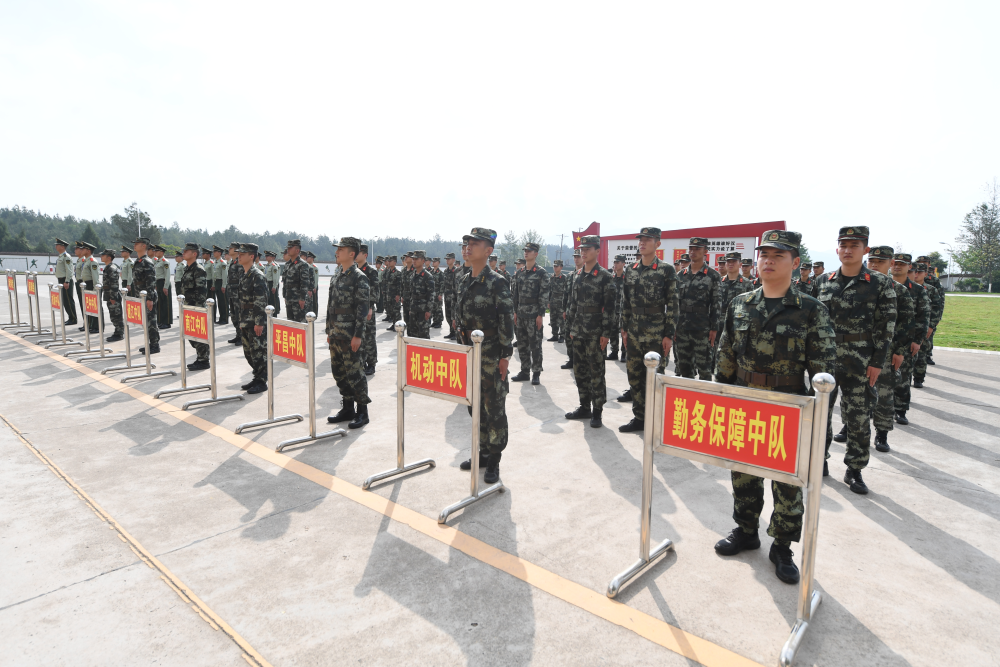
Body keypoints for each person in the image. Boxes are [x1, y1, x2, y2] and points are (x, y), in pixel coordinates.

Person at [714, 229, 836, 585]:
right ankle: (746, 529)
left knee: (787, 482)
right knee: (743, 472)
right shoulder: (740, 303)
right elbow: (725, 353)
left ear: (795, 264)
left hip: (788, 406)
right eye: (764, 254)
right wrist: (719, 396)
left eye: (778, 256)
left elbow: (824, 371)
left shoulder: (811, 310)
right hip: (745, 403)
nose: (768, 261)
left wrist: (819, 420)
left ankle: (782, 545)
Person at [815, 226, 896, 493]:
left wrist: (877, 363)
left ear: (865, 250)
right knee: (820, 414)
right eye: (843, 245)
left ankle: (855, 469)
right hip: (825, 359)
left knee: (858, 417)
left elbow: (886, 326)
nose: (848, 250)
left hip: (861, 361)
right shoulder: (823, 281)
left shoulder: (880, 283)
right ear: (837, 248)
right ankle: (819, 460)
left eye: (854, 245)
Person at [454, 227, 514, 484]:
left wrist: (505, 356)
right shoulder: (464, 278)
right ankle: (482, 452)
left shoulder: (497, 281)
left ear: (488, 251)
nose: (468, 247)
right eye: (467, 243)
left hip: (490, 353)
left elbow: (506, 320)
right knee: (474, 406)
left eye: (475, 244)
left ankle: (494, 460)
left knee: (494, 407)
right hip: (469, 352)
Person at [618, 228, 677, 432]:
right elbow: (625, 301)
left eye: (647, 240)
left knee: (655, 378)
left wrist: (669, 334)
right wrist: (624, 329)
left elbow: (673, 303)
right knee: (634, 375)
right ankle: (639, 417)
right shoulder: (631, 269)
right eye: (640, 240)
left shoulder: (666, 270)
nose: (642, 243)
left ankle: (656, 420)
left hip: (656, 332)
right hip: (633, 331)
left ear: (657, 244)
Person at [564, 236, 617, 428]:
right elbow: (573, 304)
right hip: (578, 330)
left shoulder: (604, 276)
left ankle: (597, 411)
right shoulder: (577, 275)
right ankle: (584, 407)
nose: (583, 252)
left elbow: (610, 308)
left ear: (597, 251)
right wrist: (570, 327)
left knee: (596, 372)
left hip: (595, 332)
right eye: (581, 249)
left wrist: (606, 333)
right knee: (580, 372)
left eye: (587, 249)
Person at [866, 246, 915, 453]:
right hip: (860, 349)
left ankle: (882, 433)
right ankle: (849, 427)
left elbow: (906, 324)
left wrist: (900, 351)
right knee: (856, 394)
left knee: (884, 393)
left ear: (890, 264)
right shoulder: (862, 286)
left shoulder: (900, 291)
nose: (875, 265)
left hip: (887, 350)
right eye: (872, 261)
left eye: (881, 261)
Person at [324, 237, 371, 429]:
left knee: (355, 374)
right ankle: (348, 408)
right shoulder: (337, 275)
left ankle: (362, 412)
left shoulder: (359, 277)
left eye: (341, 250)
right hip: (336, 333)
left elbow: (362, 310)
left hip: (350, 334)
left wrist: (358, 336)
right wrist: (329, 330)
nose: (337, 252)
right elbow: (330, 306)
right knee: (339, 373)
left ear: (352, 254)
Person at [675, 237, 721, 380]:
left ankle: (704, 400)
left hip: (702, 329)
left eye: (697, 249)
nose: (693, 251)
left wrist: (714, 328)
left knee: (705, 369)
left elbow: (716, 303)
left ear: (705, 251)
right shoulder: (680, 276)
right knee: (684, 369)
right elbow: (674, 303)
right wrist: (673, 326)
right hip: (682, 327)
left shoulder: (713, 276)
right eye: (691, 248)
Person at [892, 254, 929, 425]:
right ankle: (875, 408)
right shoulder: (881, 285)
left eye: (902, 264)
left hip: (906, 341)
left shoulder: (917, 290)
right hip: (883, 340)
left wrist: (917, 340)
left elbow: (922, 317)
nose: (897, 267)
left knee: (903, 377)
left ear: (909, 267)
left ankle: (900, 409)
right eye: (895, 263)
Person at [511, 242, 550, 385]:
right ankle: (524, 371)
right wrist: (515, 311)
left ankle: (536, 372)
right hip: (520, 314)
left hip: (534, 315)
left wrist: (540, 314)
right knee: (522, 344)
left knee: (535, 345)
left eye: (529, 250)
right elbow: (515, 294)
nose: (526, 252)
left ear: (536, 254)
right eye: (525, 250)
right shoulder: (519, 273)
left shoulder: (541, 273)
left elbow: (544, 295)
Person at [233, 243, 269, 394]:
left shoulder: (257, 276)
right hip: (246, 319)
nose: (239, 256)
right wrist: (241, 321)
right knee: (249, 352)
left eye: (243, 254)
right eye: (239, 253)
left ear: (251, 256)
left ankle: (262, 381)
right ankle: (256, 377)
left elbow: (260, 301)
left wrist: (259, 322)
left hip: (255, 320)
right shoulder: (244, 274)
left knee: (258, 351)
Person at [175, 243, 212, 372]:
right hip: (188, 306)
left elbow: (202, 292)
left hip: (195, 307)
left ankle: (203, 360)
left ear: (194, 254)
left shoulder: (199, 269)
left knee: (198, 334)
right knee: (191, 334)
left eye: (186, 251)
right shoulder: (188, 268)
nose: (183, 253)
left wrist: (196, 308)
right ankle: (200, 357)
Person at [910, 262, 941, 388]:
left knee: (921, 354)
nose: (916, 274)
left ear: (925, 274)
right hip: (907, 327)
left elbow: (936, 309)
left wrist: (931, 326)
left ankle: (918, 378)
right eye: (914, 272)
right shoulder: (904, 287)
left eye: (920, 272)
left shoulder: (931, 290)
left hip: (923, 327)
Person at [129, 237, 160, 354]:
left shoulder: (147, 261)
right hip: (141, 296)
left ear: (143, 246)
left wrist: (150, 299)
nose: (134, 245)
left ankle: (155, 345)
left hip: (147, 296)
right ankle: (150, 344)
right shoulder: (139, 261)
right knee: (146, 322)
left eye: (137, 243)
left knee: (151, 322)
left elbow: (150, 281)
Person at [915, 255, 944, 366]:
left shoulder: (934, 281)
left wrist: (936, 319)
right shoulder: (911, 276)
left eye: (925, 262)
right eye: (920, 262)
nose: (923, 263)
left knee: (928, 337)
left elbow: (939, 302)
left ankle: (927, 355)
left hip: (929, 315)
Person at [356, 244, 380, 375]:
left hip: (367, 309)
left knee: (369, 337)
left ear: (365, 255)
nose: (355, 255)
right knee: (359, 335)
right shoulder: (354, 270)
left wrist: (370, 307)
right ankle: (362, 361)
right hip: (357, 310)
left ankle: (371, 363)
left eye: (358, 253)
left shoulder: (371, 271)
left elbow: (375, 291)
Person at [560, 249, 583, 370]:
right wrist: (564, 309)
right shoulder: (570, 276)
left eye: (578, 256)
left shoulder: (585, 275)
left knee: (579, 338)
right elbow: (566, 294)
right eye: (575, 256)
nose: (576, 259)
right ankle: (571, 359)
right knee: (568, 336)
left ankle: (579, 360)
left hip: (581, 313)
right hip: (569, 312)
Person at [282, 240, 314, 322]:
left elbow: (304, 282)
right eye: (287, 248)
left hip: (298, 299)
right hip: (289, 298)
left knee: (300, 323)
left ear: (297, 250)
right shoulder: (287, 264)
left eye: (290, 248)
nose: (288, 250)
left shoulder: (303, 264)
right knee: (291, 323)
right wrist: (284, 295)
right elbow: (285, 282)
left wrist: (302, 298)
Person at [407, 251, 433, 339]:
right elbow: (411, 294)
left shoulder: (427, 276)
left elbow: (431, 295)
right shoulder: (412, 276)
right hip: (414, 308)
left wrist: (428, 310)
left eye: (416, 259)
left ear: (423, 261)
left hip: (423, 310)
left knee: (423, 334)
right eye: (413, 259)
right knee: (412, 333)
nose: (414, 261)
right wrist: (411, 308)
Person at [605, 254, 627, 360]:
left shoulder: (627, 278)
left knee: (624, 331)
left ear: (623, 264)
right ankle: (614, 352)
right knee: (613, 331)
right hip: (613, 309)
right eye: (614, 262)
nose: (615, 264)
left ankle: (624, 353)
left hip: (623, 310)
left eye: (618, 262)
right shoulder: (611, 278)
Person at [99, 249, 124, 341]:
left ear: (109, 257)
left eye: (103, 255)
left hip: (112, 295)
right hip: (109, 294)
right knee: (113, 315)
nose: (101, 256)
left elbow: (114, 284)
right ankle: (117, 332)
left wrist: (113, 297)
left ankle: (119, 334)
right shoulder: (108, 267)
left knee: (116, 315)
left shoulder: (111, 268)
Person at [77, 241, 101, 334]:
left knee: (94, 306)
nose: (81, 250)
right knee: (89, 306)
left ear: (88, 250)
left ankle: (96, 326)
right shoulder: (86, 260)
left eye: (83, 249)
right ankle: (91, 325)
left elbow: (95, 277)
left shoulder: (92, 261)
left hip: (91, 285)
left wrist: (95, 289)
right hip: (86, 284)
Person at [54, 238, 78, 326]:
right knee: (64, 300)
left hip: (65, 280)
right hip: (61, 280)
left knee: (68, 300)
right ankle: (70, 317)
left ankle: (73, 318)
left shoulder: (66, 256)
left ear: (62, 246)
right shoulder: (61, 256)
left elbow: (69, 270)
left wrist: (67, 281)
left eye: (57, 245)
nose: (55, 246)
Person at [548, 259, 567, 343]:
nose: (555, 268)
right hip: (552, 301)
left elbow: (566, 291)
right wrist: (548, 301)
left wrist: (565, 303)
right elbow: (549, 290)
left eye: (557, 266)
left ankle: (562, 335)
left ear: (561, 267)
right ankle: (554, 335)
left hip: (561, 302)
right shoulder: (551, 278)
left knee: (561, 320)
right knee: (553, 319)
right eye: (554, 266)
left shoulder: (564, 278)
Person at [442, 252, 459, 339]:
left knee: (454, 315)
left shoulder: (457, 271)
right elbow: (443, 284)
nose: (447, 260)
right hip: (446, 296)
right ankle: (451, 332)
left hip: (453, 297)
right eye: (446, 259)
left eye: (449, 259)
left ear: (453, 260)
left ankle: (456, 333)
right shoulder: (445, 271)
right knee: (448, 315)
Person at [382, 255, 401, 329]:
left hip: (395, 295)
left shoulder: (397, 273)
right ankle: (394, 324)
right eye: (388, 261)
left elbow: (399, 285)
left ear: (395, 262)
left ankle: (398, 326)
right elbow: (385, 283)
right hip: (388, 294)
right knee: (390, 310)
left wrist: (398, 295)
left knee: (396, 311)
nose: (389, 262)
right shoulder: (387, 272)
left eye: (390, 261)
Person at [210, 246, 228, 325]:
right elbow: (214, 275)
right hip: (217, 282)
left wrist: (224, 285)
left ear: (219, 253)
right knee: (219, 301)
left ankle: (225, 318)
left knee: (223, 302)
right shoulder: (216, 263)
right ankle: (221, 318)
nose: (213, 253)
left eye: (215, 252)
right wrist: (214, 284)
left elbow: (225, 275)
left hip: (221, 282)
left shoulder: (222, 263)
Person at [430, 257, 444, 328]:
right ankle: (435, 321)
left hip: (438, 293)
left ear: (438, 263)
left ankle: (439, 322)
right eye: (433, 261)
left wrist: (440, 294)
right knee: (433, 308)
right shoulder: (431, 272)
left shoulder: (440, 273)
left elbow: (442, 284)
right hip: (432, 293)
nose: (433, 263)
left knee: (438, 308)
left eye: (435, 262)